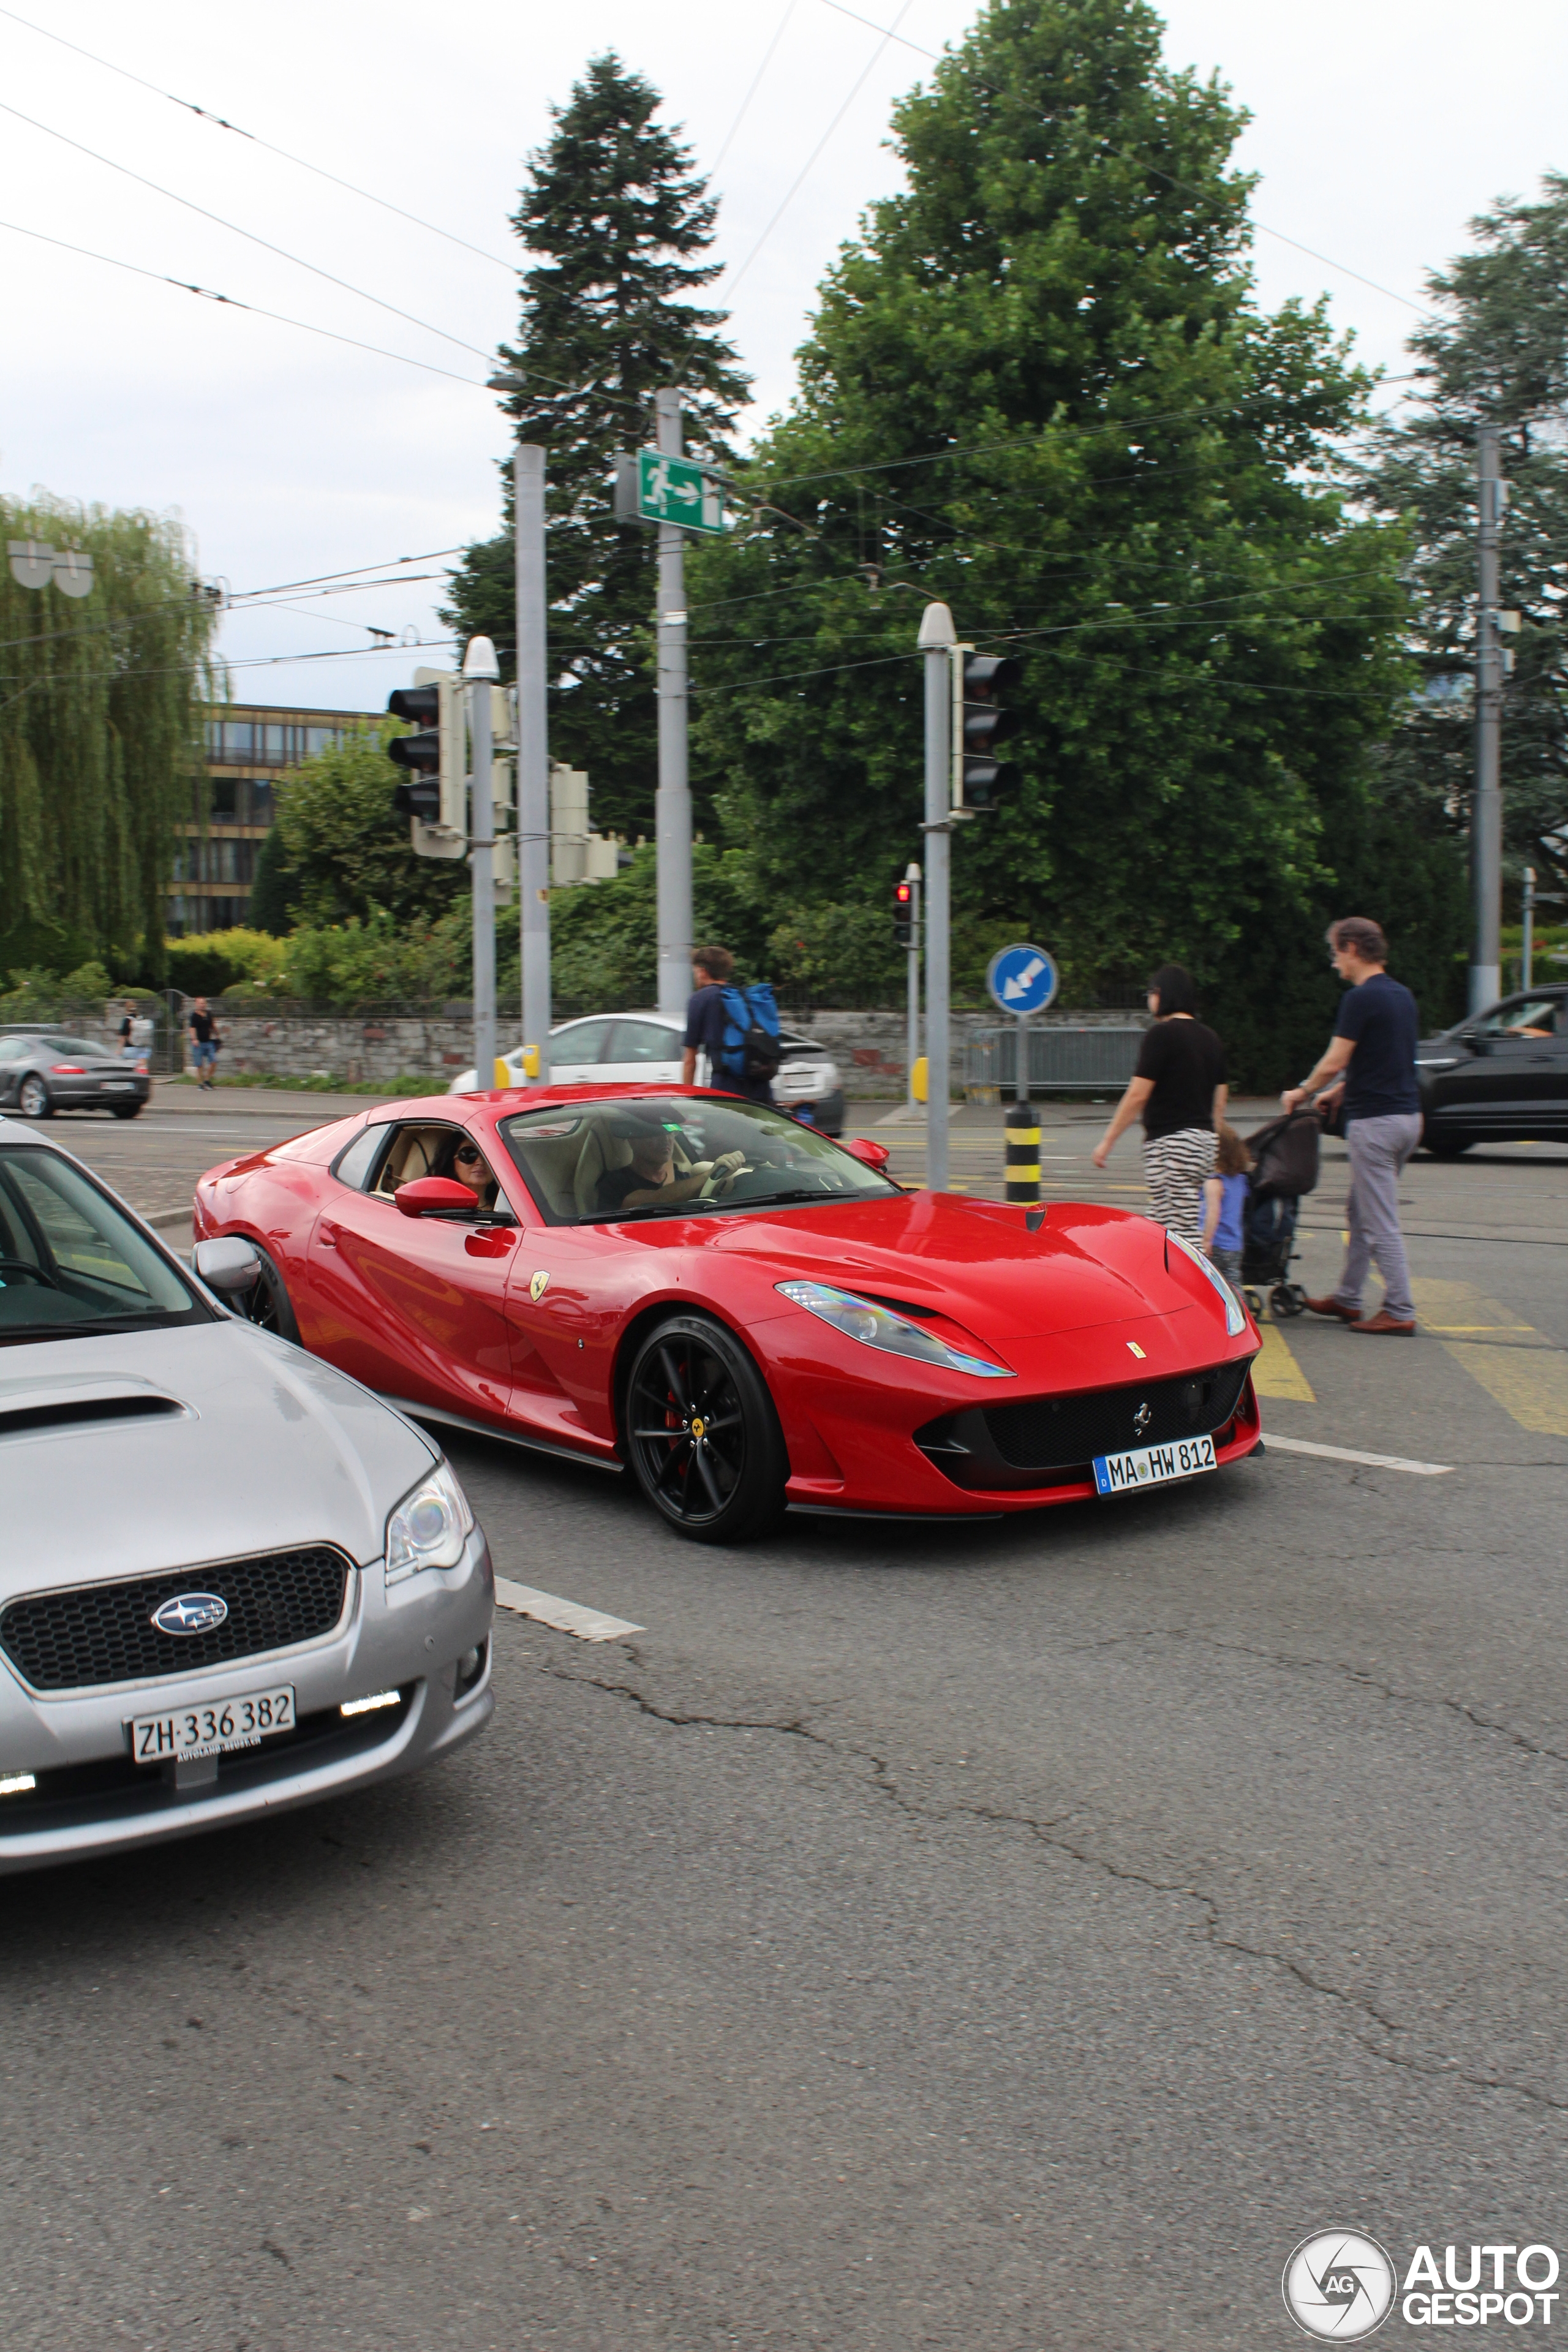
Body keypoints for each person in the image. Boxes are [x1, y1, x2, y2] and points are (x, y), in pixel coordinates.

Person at [1283, 916, 1421, 1336]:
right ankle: (1347, 1298)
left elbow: (1337, 1058)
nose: (1334, 963)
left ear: (1351, 949)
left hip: (1376, 1125)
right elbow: (1382, 1061)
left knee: (1378, 1218)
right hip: (1408, 1119)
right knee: (1360, 1211)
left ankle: (1399, 1307)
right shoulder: (1402, 996)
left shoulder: (1360, 999)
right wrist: (1340, 1092)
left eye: (1335, 953)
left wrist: (1303, 1091)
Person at [1091, 964, 1227, 1243]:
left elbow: (1138, 1095)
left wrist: (1108, 1141)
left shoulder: (1162, 1035)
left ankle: (1194, 1285)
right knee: (1159, 1225)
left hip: (1172, 1144)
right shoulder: (1211, 1038)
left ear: (1162, 994)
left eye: (1151, 992)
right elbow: (1220, 1100)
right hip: (1203, 1143)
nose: (1149, 999)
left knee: (1180, 1236)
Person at [681, 945, 775, 1107]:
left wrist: (686, 1099)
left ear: (702, 971)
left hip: (726, 1091)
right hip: (762, 1090)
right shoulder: (743, 996)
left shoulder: (700, 999)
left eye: (695, 971)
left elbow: (690, 1059)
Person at [596, 1122, 745, 1214]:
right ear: (632, 1140)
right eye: (655, 1133)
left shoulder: (683, 1178)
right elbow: (652, 1200)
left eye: (670, 1132)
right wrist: (709, 1175)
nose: (666, 1140)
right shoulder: (614, 1184)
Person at [1202, 1123, 1253, 1293]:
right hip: (1235, 1245)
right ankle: (1240, 1312)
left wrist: (1207, 1239)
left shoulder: (1214, 1182)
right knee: (1233, 1283)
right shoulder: (1240, 1180)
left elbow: (1213, 1213)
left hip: (1216, 1243)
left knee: (1209, 1282)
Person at [187, 997, 221, 1090]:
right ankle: (200, 1084)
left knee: (214, 1061)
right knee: (200, 1064)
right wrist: (194, 1039)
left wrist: (217, 1034)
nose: (202, 1005)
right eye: (200, 1003)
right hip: (199, 1043)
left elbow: (212, 1025)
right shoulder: (194, 1016)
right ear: (196, 1004)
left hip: (208, 1042)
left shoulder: (208, 1014)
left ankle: (207, 1080)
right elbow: (192, 1028)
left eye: (204, 1003)